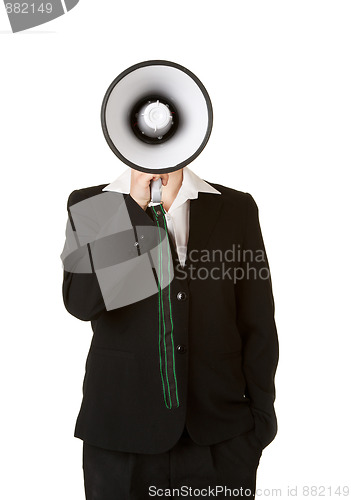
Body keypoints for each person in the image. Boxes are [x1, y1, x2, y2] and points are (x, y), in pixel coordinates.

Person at [60, 165, 279, 499]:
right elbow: (81, 302)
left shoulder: (236, 207)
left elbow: (257, 320)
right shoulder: (92, 204)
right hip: (121, 440)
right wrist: (131, 210)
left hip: (220, 440)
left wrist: (260, 423)